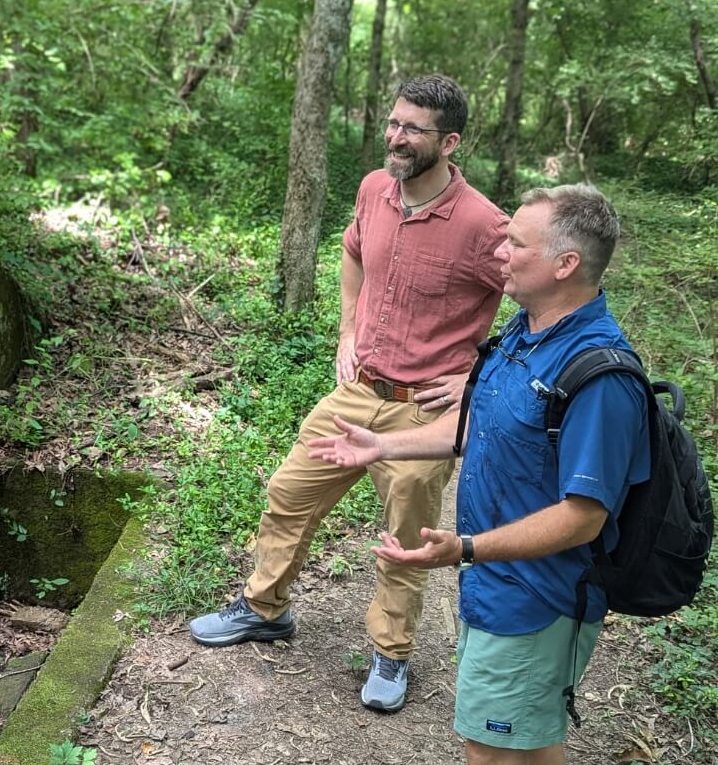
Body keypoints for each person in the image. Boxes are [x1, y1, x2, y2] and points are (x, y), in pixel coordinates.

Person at [189, 74, 510, 712]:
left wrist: (482, 373)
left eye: (411, 128)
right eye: (393, 123)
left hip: (425, 410)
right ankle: (264, 608)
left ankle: (391, 654)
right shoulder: (374, 189)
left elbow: (540, 300)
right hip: (357, 390)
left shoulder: (483, 224)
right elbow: (354, 251)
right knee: (288, 493)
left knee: (408, 536)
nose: (395, 137)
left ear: (448, 142)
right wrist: (346, 326)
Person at [310, 184, 649, 764]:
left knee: (488, 749)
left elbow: (584, 517)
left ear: (565, 264)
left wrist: (465, 549)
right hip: (495, 587)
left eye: (516, 244)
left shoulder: (600, 377)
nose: (499, 253)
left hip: (537, 599)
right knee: (530, 742)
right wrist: (381, 444)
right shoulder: (526, 331)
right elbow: (476, 425)